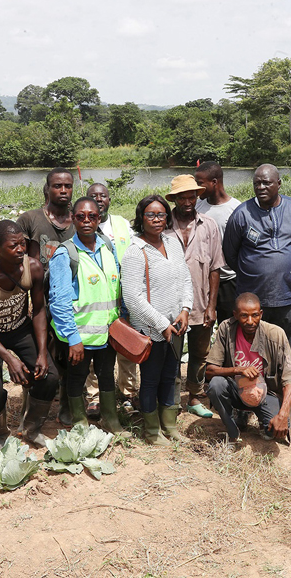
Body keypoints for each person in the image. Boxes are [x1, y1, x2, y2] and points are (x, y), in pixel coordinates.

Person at [0, 220, 58, 448]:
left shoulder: (33, 267)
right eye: (13, 245)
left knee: (49, 376)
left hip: (19, 328)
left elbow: (38, 310)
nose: (20, 249)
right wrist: (10, 359)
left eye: (22, 244)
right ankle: (1, 435)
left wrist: (41, 353)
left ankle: (31, 428)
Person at [48, 198, 125, 435]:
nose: (86, 221)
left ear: (99, 218)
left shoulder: (107, 247)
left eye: (92, 216)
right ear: (72, 218)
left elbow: (117, 288)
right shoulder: (66, 254)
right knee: (77, 377)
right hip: (80, 334)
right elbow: (58, 302)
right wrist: (72, 338)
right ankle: (80, 421)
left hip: (107, 331)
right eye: (80, 216)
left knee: (106, 375)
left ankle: (110, 420)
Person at [121, 195, 194, 445]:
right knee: (151, 379)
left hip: (177, 325)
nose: (156, 220)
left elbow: (185, 278)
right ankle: (152, 431)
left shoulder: (173, 243)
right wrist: (162, 324)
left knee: (170, 375)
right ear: (141, 218)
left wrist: (185, 309)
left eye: (161, 215)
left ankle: (169, 425)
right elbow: (132, 297)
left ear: (167, 217)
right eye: (150, 215)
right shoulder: (135, 251)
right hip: (152, 329)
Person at [223, 164, 291, 348]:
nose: (261, 187)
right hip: (252, 299)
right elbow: (230, 254)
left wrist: (287, 267)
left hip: (286, 296)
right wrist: (254, 271)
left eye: (266, 183)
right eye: (257, 183)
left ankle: (279, 378)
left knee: (283, 347)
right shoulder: (242, 213)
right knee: (251, 349)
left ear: (279, 184)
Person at [17, 168, 76, 426]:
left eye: (67, 186)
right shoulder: (30, 219)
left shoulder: (80, 220)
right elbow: (17, 262)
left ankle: (67, 403)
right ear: (47, 188)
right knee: (37, 355)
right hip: (37, 301)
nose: (63, 191)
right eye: (57, 186)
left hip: (70, 301)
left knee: (69, 356)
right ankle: (29, 406)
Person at [165, 175, 224, 419]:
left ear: (197, 197)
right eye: (182, 197)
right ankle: (172, 399)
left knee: (200, 353)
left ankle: (194, 396)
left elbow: (215, 267)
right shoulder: (163, 223)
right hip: (170, 303)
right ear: (175, 199)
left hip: (200, 302)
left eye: (191, 196)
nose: (188, 201)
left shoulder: (208, 225)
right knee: (172, 353)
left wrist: (212, 305)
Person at [205, 293, 291, 449]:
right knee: (216, 385)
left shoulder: (275, 334)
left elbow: (290, 378)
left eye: (255, 315)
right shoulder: (226, 329)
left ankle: (261, 419)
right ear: (235, 315)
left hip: (266, 393)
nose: (250, 321)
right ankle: (233, 432)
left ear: (261, 314)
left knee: (275, 432)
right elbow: (209, 371)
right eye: (243, 316)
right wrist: (239, 370)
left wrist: (283, 414)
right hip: (236, 389)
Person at [84, 182, 138, 415]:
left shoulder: (122, 224)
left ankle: (127, 394)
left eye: (103, 195)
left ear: (109, 199)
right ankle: (93, 395)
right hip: (94, 299)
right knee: (95, 345)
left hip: (124, 295)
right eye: (93, 196)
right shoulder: (81, 225)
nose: (99, 199)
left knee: (126, 345)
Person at [195, 161, 242, 324]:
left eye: (200, 183)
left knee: (229, 328)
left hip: (229, 281)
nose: (197, 188)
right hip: (202, 281)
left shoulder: (236, 209)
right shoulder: (197, 206)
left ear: (214, 182)